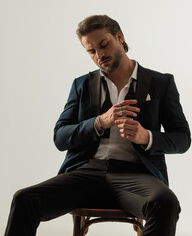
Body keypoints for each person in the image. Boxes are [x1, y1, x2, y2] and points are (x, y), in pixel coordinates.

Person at [4, 15, 191, 236]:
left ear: (120, 38)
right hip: (86, 173)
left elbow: (182, 139)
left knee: (165, 202)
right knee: (24, 199)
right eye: (91, 51)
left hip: (136, 176)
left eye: (104, 45)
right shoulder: (82, 84)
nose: (99, 55)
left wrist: (146, 137)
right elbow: (60, 137)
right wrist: (99, 122)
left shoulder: (161, 83)